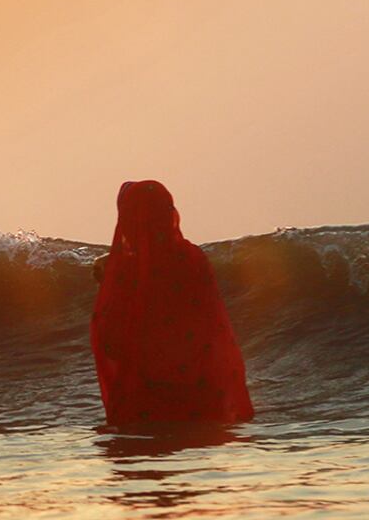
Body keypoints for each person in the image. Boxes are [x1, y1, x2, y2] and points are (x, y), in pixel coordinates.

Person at [90, 180, 253, 424]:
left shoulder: (122, 270)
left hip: (145, 403)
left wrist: (108, 282)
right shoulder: (193, 258)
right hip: (201, 395)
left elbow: (111, 342)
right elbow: (212, 328)